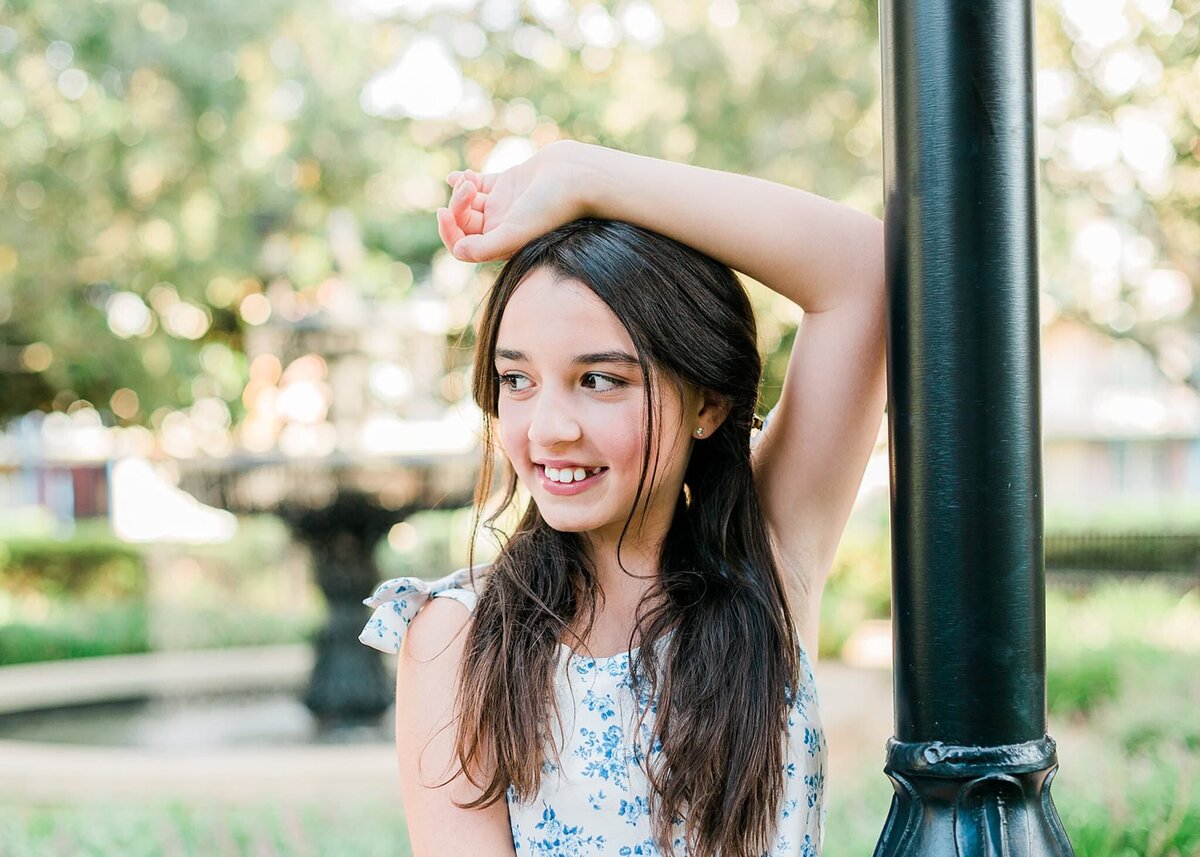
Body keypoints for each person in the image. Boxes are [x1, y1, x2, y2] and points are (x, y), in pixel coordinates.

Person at [359, 140, 886, 856]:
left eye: (600, 379)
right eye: (518, 380)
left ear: (709, 403)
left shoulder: (769, 563)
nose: (549, 428)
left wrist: (585, 178)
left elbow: (868, 271)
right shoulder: (458, 640)